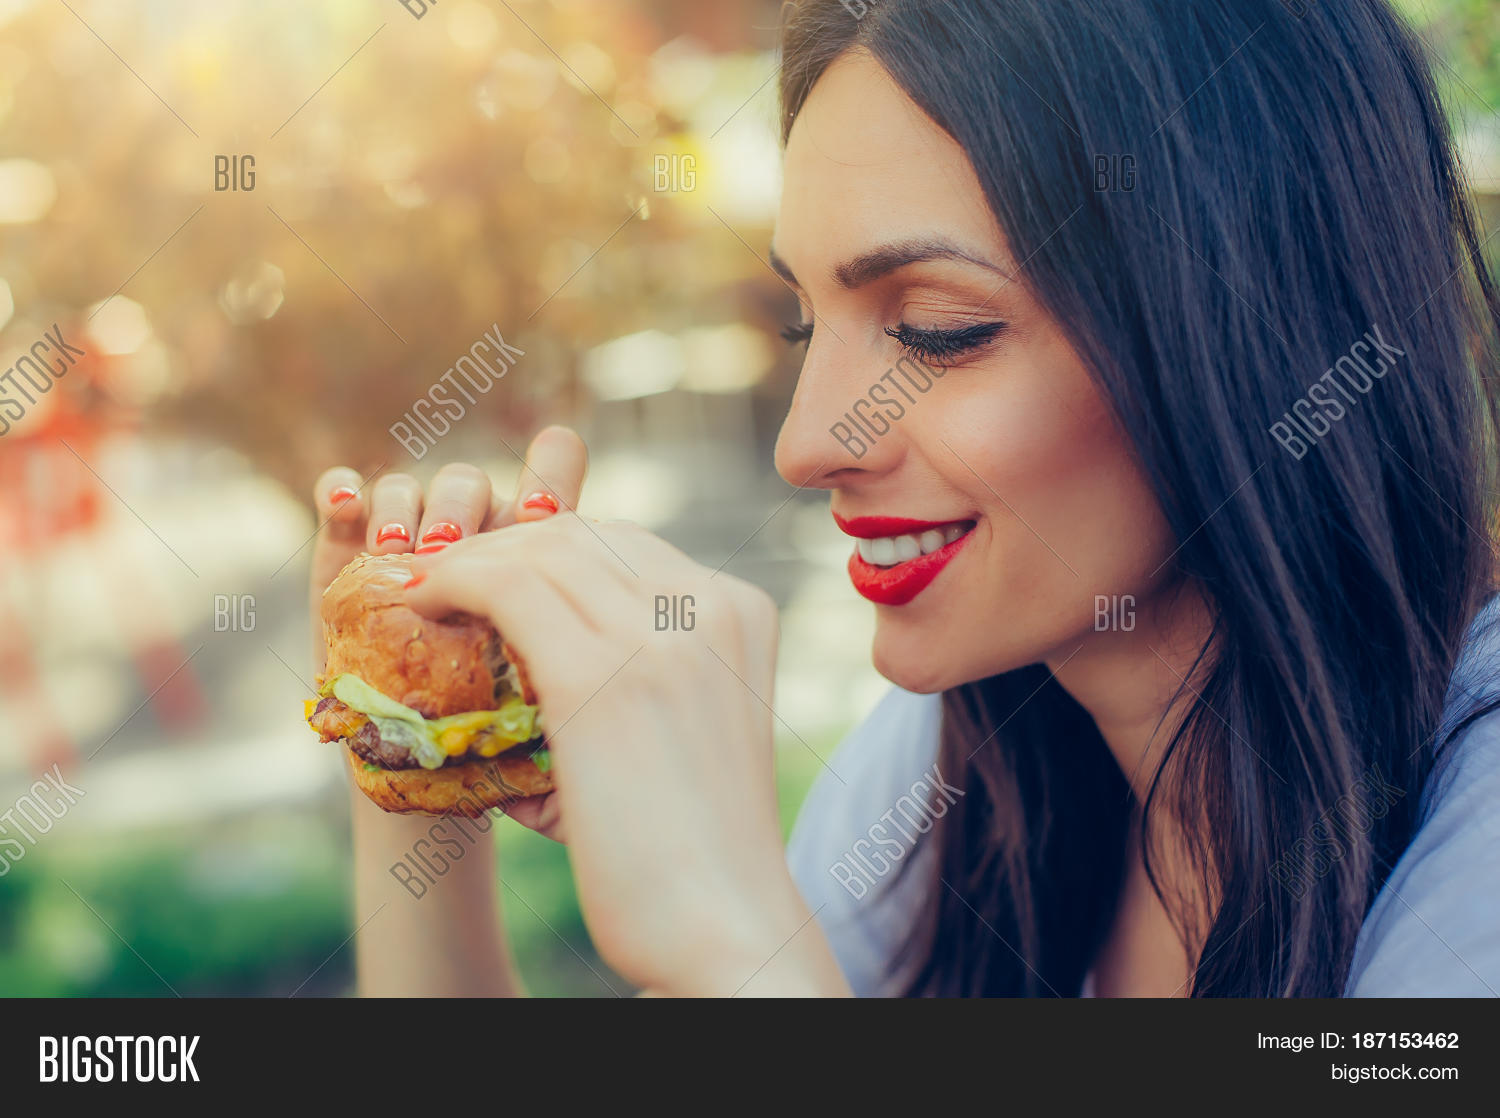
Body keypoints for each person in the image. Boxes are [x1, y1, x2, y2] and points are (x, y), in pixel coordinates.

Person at [311, 0, 1500, 996]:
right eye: (802, 321)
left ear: (1258, 324)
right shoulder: (952, 769)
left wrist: (739, 940)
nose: (808, 441)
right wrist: (417, 763)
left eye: (938, 330)